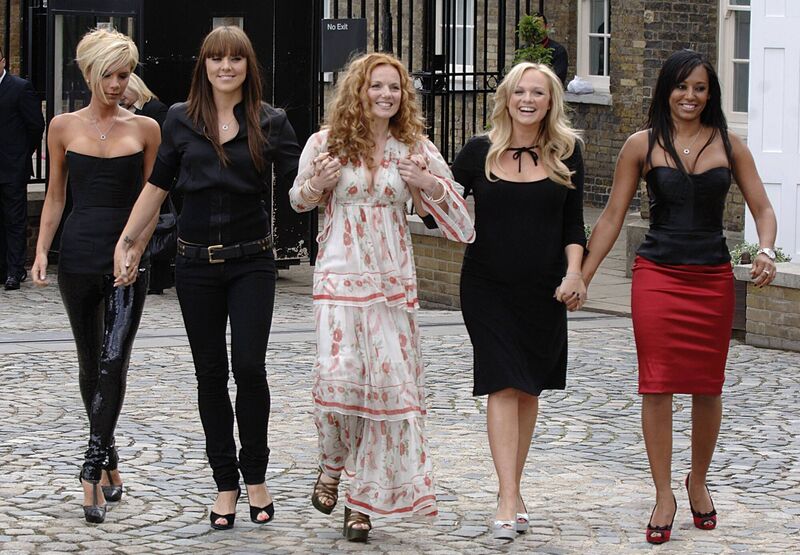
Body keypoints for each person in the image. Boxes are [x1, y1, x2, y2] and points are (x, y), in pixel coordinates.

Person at [580, 49, 778, 544]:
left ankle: (698, 479)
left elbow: (763, 208)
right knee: (658, 384)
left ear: (710, 95)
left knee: (708, 385)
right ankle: (663, 492)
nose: (690, 97)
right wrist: (582, 275)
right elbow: (610, 218)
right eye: (681, 87)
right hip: (658, 275)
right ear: (666, 90)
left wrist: (768, 251)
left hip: (711, 277)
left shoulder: (731, 147)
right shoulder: (640, 145)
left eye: (700, 88)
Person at [113, 25, 300, 530]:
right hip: (195, 264)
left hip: (252, 262)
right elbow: (157, 186)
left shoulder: (271, 122)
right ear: (205, 65)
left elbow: (305, 182)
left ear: (247, 66)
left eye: (235, 59)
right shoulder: (179, 119)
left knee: (250, 367)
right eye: (216, 59)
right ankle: (225, 483)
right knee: (210, 374)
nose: (225, 68)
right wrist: (128, 242)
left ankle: (256, 475)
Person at [289, 52, 474, 542]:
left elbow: (461, 223)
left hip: (392, 287)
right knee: (339, 384)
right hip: (338, 280)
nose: (386, 95)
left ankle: (360, 502)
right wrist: (318, 184)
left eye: (395, 88)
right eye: (377, 87)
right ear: (359, 91)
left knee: (385, 393)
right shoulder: (324, 143)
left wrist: (426, 183)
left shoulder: (414, 147)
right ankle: (331, 465)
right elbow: (296, 200)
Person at [450, 62, 585, 540]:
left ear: (551, 102)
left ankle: (514, 487)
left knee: (529, 389)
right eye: (520, 92)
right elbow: (441, 206)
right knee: (503, 381)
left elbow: (573, 226)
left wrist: (576, 273)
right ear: (506, 98)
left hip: (544, 288)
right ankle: (508, 497)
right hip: (486, 286)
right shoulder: (477, 152)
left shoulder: (567, 152)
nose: (528, 100)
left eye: (538, 93)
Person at [30, 28, 161, 523]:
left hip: (127, 259)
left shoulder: (146, 128)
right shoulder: (62, 126)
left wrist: (137, 248)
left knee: (114, 362)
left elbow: (155, 199)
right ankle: (109, 458)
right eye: (107, 74)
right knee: (91, 363)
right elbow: (57, 195)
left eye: (123, 74)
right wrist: (43, 249)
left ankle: (89, 470)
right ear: (89, 73)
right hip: (80, 255)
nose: (115, 83)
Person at [120, 72, 174, 295]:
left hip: (151, 175)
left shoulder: (154, 110)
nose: (120, 94)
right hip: (129, 178)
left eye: (124, 88)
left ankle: (156, 277)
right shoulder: (121, 112)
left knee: (156, 225)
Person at [0, 44, 45, 290]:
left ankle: (15, 271)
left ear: (3, 61)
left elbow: (35, 125)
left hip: (12, 167)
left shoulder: (19, 88)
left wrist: (21, 153)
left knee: (15, 220)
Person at [535, 14, 568, 87]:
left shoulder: (558, 50)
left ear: (546, 27)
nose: (536, 29)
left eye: (539, 25)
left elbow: (558, 79)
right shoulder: (523, 49)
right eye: (533, 27)